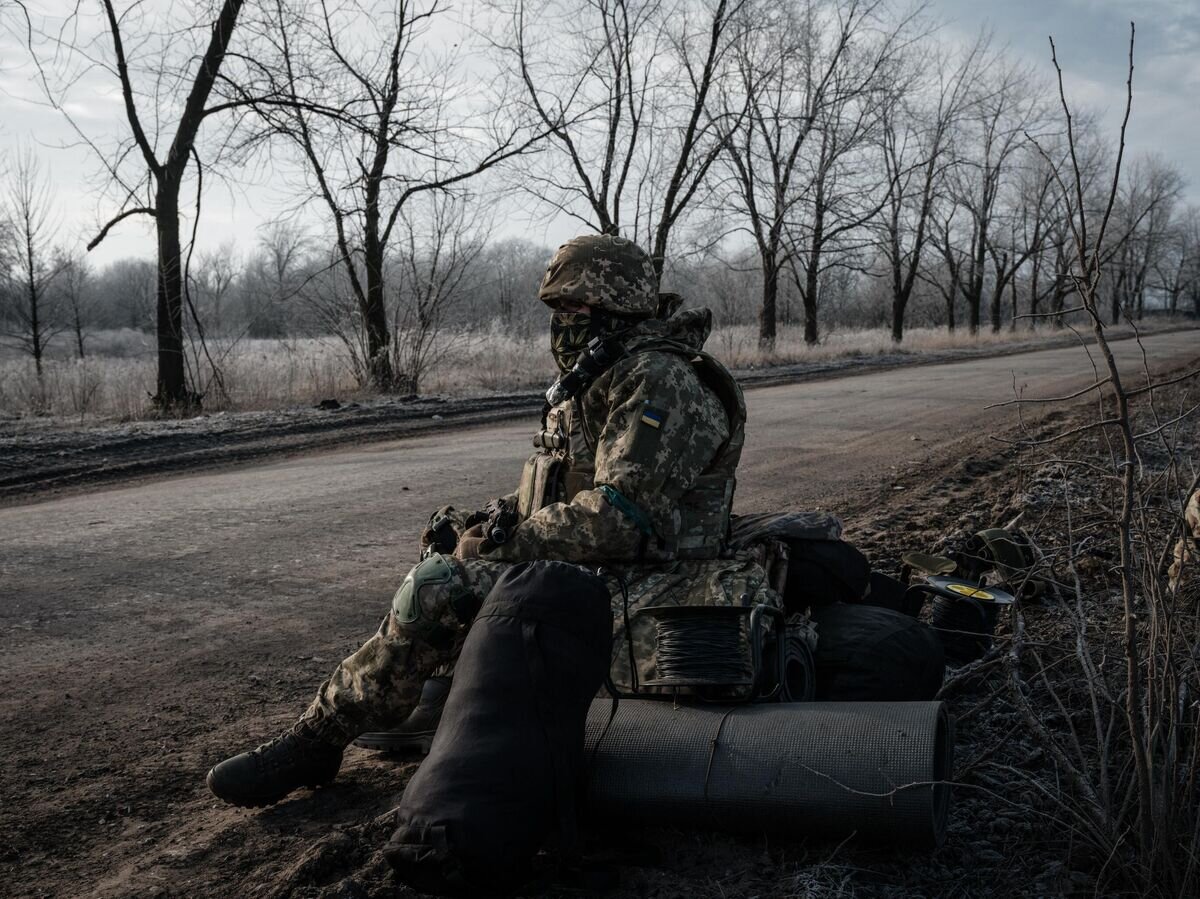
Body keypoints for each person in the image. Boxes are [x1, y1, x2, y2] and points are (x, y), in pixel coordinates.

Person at [206, 234, 838, 808]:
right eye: (557, 315)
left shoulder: (661, 382)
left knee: (438, 587)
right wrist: (489, 522)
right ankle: (427, 697)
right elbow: (564, 487)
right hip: (599, 566)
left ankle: (319, 738)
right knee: (450, 553)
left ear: (614, 313)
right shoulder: (606, 375)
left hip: (648, 573)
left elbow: (622, 517)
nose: (561, 329)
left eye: (574, 315)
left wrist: (506, 544)